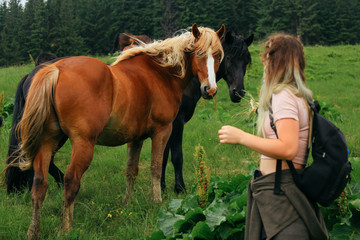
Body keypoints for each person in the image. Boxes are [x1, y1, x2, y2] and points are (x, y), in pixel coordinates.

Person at [218, 34, 329, 240]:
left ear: (275, 60)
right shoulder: (298, 94)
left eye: (267, 58)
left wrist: (240, 136)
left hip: (282, 194)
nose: (264, 64)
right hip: (280, 190)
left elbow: (288, 148)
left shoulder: (283, 95)